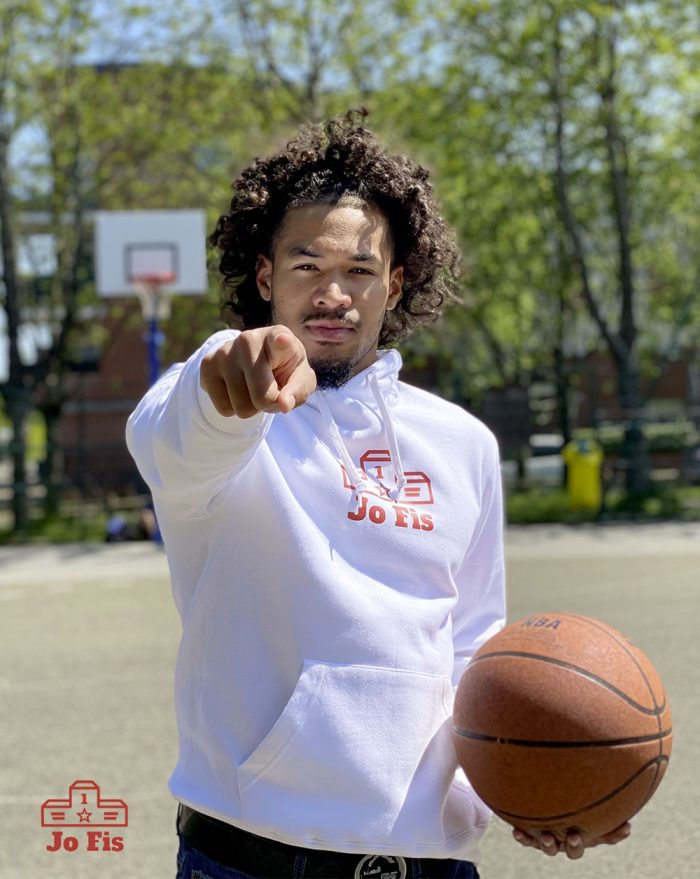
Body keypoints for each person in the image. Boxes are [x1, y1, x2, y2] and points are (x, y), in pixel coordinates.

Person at [126, 111, 629, 879]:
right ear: (265, 276)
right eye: (305, 265)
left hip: (433, 862)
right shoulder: (222, 412)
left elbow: (473, 650)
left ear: (394, 284)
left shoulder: (462, 444)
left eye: (359, 269)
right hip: (254, 861)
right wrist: (231, 375)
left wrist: (526, 786)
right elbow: (166, 434)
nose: (333, 292)